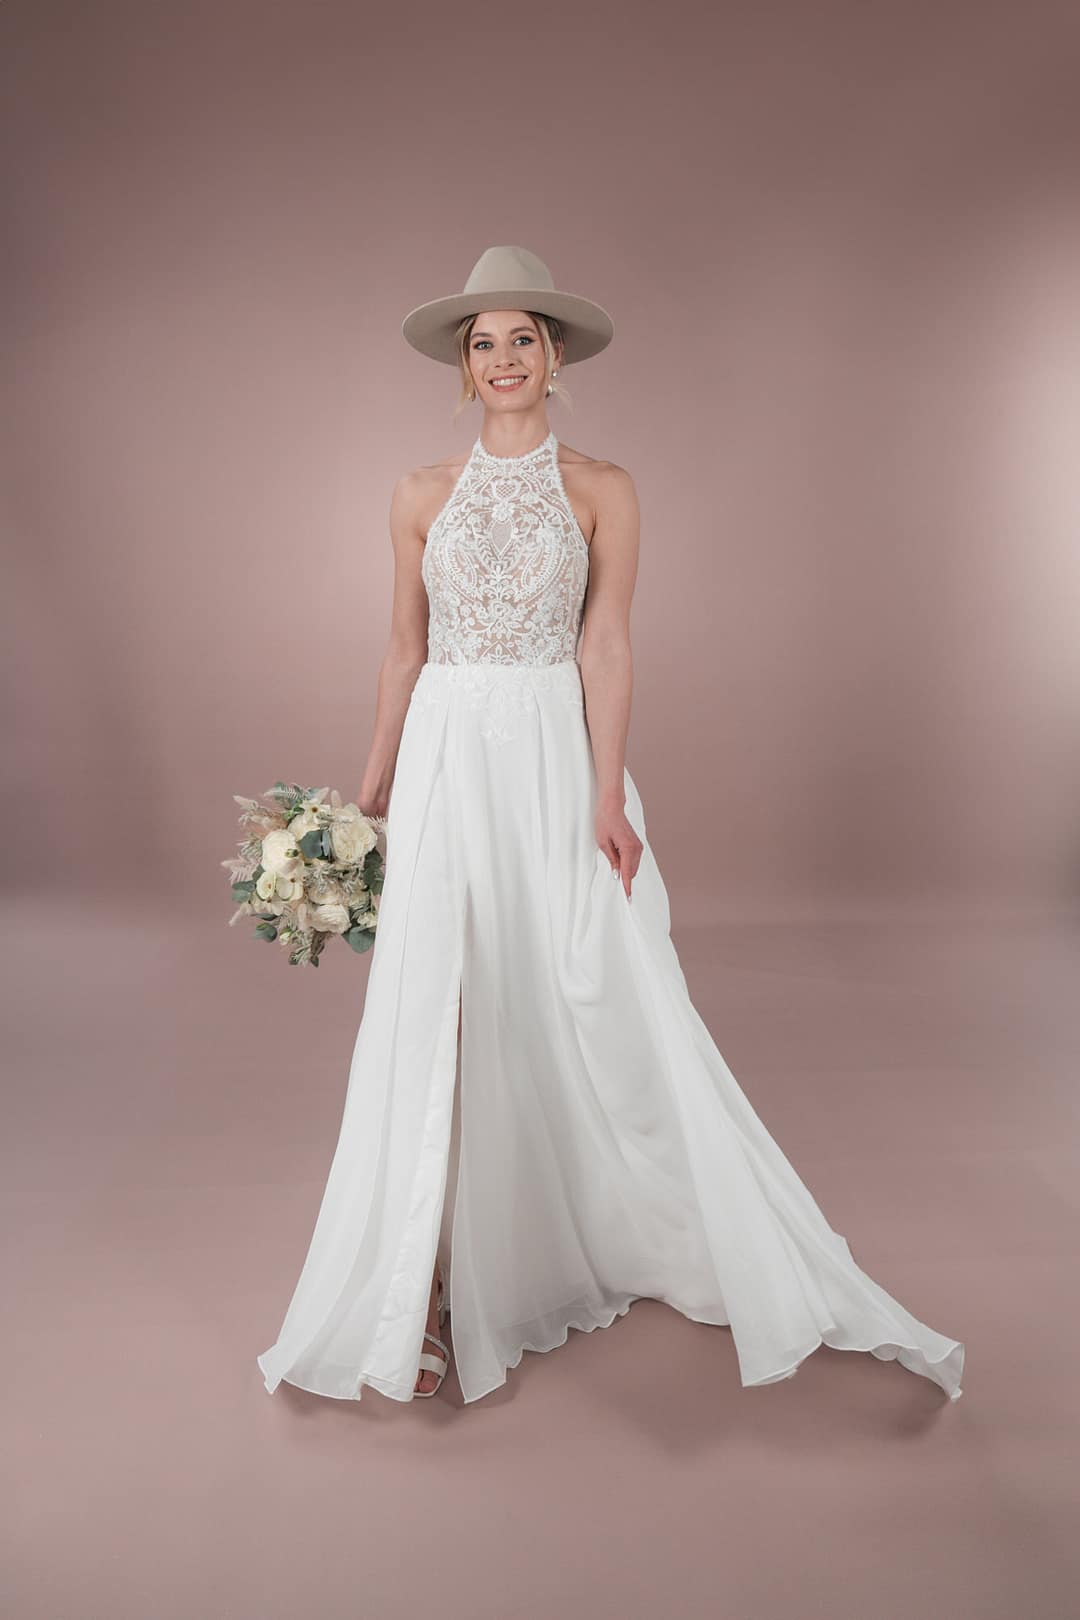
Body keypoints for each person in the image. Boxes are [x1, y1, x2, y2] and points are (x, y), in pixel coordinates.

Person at [256, 245, 964, 1406]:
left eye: (522, 340)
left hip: (549, 752)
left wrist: (606, 790)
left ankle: (554, 1240)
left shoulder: (604, 488)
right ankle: (421, 1287)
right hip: (446, 753)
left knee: (577, 985)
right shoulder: (418, 492)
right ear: (463, 365)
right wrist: (373, 779)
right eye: (482, 343)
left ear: (556, 356)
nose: (503, 359)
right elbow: (403, 646)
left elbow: (608, 643)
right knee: (441, 998)